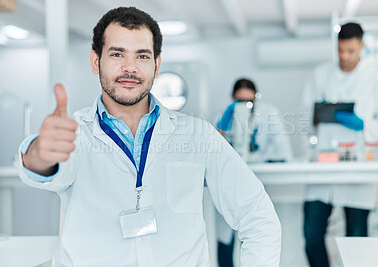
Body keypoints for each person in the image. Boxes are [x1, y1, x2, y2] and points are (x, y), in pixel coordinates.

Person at [17, 7, 281, 267]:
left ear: (157, 65)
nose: (130, 68)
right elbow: (40, 165)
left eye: (142, 56)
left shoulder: (197, 134)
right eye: (117, 54)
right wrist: (40, 153)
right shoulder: (76, 133)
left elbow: (258, 216)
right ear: (96, 61)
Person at [302, 22, 378, 267]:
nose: (344, 56)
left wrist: (363, 126)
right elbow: (303, 116)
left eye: (350, 51)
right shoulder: (320, 74)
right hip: (323, 167)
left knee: (357, 238)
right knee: (311, 235)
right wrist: (315, 118)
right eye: (341, 50)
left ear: (362, 46)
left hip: (358, 166)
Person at [216, 78, 292, 267]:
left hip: (256, 180)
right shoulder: (223, 115)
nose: (244, 106)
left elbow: (284, 149)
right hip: (228, 184)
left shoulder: (269, 113)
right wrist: (224, 123)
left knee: (253, 238)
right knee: (225, 240)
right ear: (232, 99)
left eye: (249, 102)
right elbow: (212, 147)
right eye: (239, 101)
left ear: (257, 98)